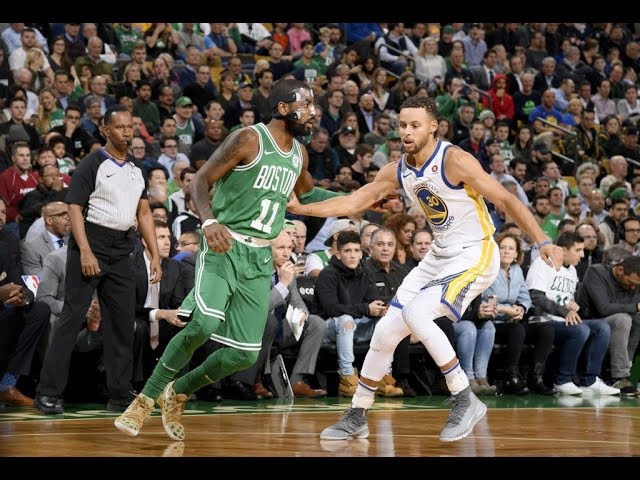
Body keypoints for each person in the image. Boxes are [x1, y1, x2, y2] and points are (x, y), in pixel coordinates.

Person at [288, 95, 563, 442]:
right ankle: (357, 412)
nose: (406, 131)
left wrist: (542, 241)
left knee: (418, 314)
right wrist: (302, 208)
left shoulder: (454, 160)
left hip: (475, 253)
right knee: (386, 331)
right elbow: (356, 200)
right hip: (439, 255)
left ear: (433, 127)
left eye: (415, 125)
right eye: (402, 124)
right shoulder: (398, 169)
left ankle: (465, 398)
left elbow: (506, 199)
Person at [114, 78, 341, 441]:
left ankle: (181, 390)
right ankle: (145, 398)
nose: (313, 111)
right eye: (307, 104)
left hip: (258, 258)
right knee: (202, 325)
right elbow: (200, 180)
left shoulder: (300, 153)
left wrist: (360, 197)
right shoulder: (248, 139)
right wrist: (208, 221)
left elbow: (307, 194)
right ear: (283, 108)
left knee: (244, 356)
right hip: (224, 244)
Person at [35, 105, 163, 415]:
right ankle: (48, 393)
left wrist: (154, 253)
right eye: (120, 127)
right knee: (71, 318)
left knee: (121, 324)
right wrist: (86, 251)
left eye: (130, 127)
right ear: (105, 130)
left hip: (122, 248)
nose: (127, 132)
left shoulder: (136, 169)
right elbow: (75, 208)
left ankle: (119, 394)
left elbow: (144, 213)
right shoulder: (91, 164)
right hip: (90, 242)